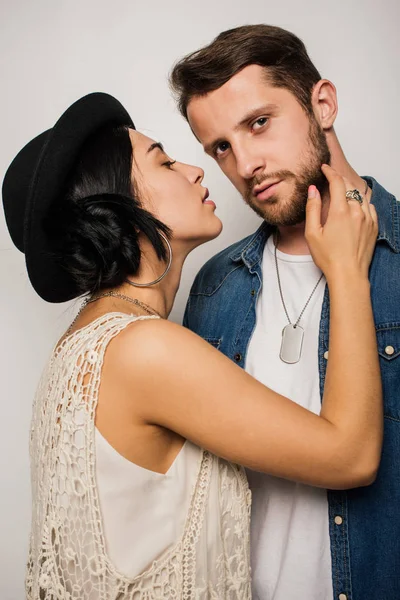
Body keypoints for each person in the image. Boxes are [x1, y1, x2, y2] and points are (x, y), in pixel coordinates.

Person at [2, 92, 381, 600]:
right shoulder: (145, 349)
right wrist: (349, 274)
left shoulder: (86, 342)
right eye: (163, 161)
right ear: (123, 208)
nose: (196, 170)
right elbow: (350, 456)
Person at [170, 23, 400, 600]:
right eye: (221, 147)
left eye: (258, 123)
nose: (245, 163)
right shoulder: (214, 286)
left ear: (322, 104)